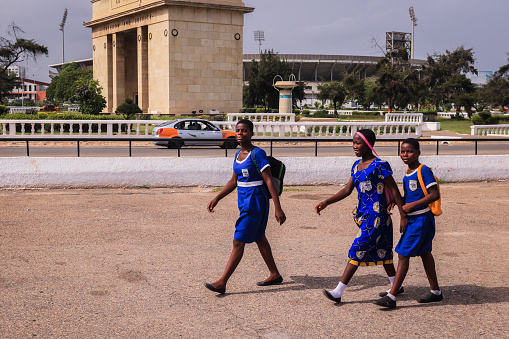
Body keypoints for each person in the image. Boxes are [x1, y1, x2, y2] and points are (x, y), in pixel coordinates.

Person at [316, 129, 406, 303]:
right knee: (384, 252)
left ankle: (338, 291)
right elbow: (347, 190)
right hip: (364, 216)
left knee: (356, 249)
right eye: (353, 142)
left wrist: (403, 215)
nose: (354, 146)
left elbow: (394, 189)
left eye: (358, 143)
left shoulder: (380, 164)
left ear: (368, 144)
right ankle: (396, 284)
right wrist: (326, 202)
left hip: (378, 217)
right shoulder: (356, 166)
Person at [205, 119, 286, 294]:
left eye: (244, 131)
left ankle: (222, 282)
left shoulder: (258, 154)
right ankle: (274, 274)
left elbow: (269, 180)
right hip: (244, 201)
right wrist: (218, 197)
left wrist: (278, 208)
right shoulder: (237, 155)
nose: (240, 134)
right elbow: (234, 181)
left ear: (251, 133)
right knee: (259, 237)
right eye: (238, 131)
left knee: (238, 239)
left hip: (256, 202)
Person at [373, 138, 442, 309]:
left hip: (421, 219)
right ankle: (436, 292)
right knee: (425, 253)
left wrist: (411, 205)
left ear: (418, 152)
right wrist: (397, 202)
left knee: (403, 254)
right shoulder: (407, 172)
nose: (405, 154)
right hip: (416, 219)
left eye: (409, 151)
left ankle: (392, 295)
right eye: (403, 151)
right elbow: (412, 195)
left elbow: (434, 194)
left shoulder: (423, 170)